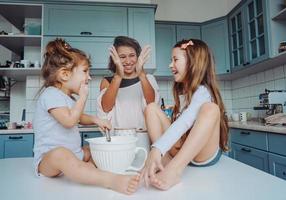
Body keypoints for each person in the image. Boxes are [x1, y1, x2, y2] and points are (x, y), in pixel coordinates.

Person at [33, 38, 140, 195]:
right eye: (85, 72)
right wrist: (83, 97)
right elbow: (69, 120)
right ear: (64, 75)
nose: (89, 77)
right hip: (49, 160)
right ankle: (110, 180)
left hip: (75, 154)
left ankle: (92, 172)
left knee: (94, 150)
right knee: (61, 154)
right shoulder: (51, 94)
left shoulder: (68, 98)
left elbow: (78, 116)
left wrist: (96, 120)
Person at [141, 39, 229, 190]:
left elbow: (186, 122)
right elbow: (180, 125)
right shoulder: (183, 92)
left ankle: (174, 170)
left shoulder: (203, 92)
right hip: (185, 151)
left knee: (210, 109)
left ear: (193, 63)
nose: (170, 65)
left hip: (203, 155)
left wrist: (157, 148)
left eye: (175, 60)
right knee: (151, 108)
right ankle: (164, 161)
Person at [96, 36, 160, 130]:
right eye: (122, 57)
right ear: (115, 58)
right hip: (118, 137)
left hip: (143, 135)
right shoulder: (107, 82)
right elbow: (106, 108)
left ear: (138, 56)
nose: (128, 61)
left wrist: (141, 73)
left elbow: (152, 104)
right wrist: (118, 76)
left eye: (132, 55)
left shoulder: (148, 79)